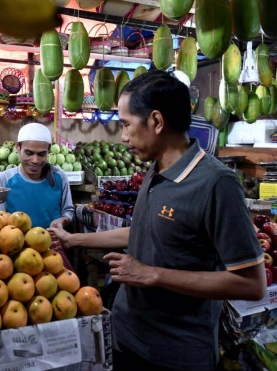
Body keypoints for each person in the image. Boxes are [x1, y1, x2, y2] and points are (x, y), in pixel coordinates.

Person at [48, 70, 266, 371]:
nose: (123, 137)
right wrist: (74, 240)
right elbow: (140, 230)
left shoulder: (217, 184)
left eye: (126, 125)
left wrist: (152, 274)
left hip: (174, 356)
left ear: (156, 122)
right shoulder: (156, 169)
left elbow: (252, 285)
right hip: (127, 338)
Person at [0, 123, 74, 230]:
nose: (35, 160)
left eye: (41, 154)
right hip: (16, 244)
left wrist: (62, 221)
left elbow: (68, 210)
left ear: (49, 149)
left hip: (51, 243)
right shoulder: (2, 181)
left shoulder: (59, 177)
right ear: (18, 147)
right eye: (29, 153)